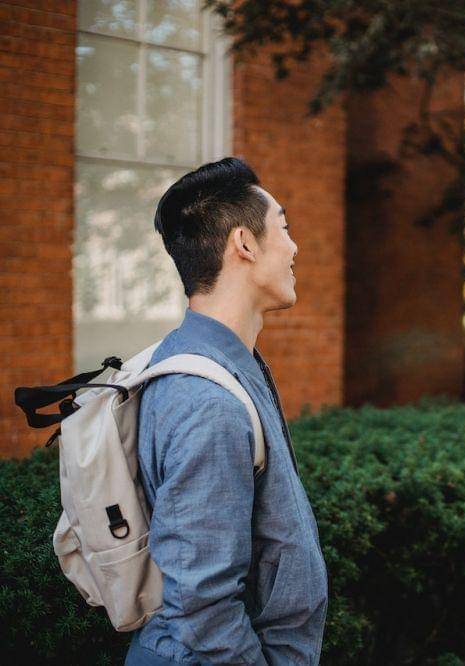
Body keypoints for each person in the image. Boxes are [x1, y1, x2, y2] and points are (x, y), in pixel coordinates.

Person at [126, 158, 328, 665]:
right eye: (284, 228)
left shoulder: (217, 364)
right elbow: (203, 609)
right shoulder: (207, 401)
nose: (294, 247)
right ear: (244, 244)